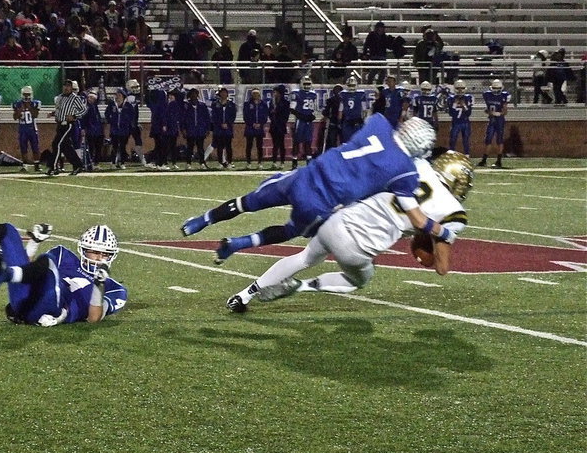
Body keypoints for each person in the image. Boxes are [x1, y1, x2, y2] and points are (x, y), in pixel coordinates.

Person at [181, 115, 449, 268]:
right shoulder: (405, 171)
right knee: (291, 230)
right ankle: (236, 244)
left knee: (248, 202)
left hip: (305, 175)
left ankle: (201, 220)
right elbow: (418, 220)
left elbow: (373, 133)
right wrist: (444, 232)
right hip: (321, 201)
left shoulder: (379, 123)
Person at [231, 151, 473, 312]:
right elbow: (441, 267)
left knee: (304, 257)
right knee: (360, 279)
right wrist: (438, 235)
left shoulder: (416, 165)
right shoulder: (452, 211)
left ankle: (245, 294)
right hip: (358, 247)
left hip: (339, 219)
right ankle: (303, 286)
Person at [0, 180, 127, 326]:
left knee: (48, 262)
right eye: (95, 252)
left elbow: (94, 318)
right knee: (9, 232)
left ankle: (5, 274)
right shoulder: (64, 255)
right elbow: (29, 268)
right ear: (84, 249)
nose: (99, 258)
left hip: (49, 311)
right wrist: (34, 242)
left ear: (112, 256)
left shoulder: (115, 288)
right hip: (24, 298)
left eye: (105, 254)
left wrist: (99, 285)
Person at [47, 80, 86, 175]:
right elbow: (60, 110)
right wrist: (53, 114)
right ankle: (78, 165)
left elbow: (84, 110)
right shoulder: (60, 97)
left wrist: (74, 116)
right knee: (66, 147)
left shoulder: (75, 98)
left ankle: (54, 167)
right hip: (60, 124)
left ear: (71, 88)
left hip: (68, 124)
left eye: (68, 86)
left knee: (56, 144)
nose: (66, 88)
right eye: (65, 86)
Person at [478, 79, 510, 168]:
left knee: (499, 140)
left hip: (499, 120)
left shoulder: (504, 95)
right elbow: (487, 109)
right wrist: (488, 112)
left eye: (497, 88)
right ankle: (484, 160)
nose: (496, 90)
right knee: (488, 139)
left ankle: (499, 161)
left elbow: (505, 111)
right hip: (491, 120)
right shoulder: (487, 94)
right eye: (494, 88)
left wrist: (496, 113)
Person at [289, 76, 317, 170]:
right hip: (300, 121)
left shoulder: (313, 94)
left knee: (308, 142)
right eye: (305, 84)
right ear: (301, 84)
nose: (307, 86)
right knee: (297, 141)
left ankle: (309, 162)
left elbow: (313, 108)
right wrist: (302, 116)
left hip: (308, 122)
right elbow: (292, 109)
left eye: (308, 84)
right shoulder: (296, 93)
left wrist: (312, 115)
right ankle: (294, 162)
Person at [13, 85, 41, 172]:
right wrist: (20, 110)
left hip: (32, 129)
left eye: (28, 94)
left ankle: (37, 165)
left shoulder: (35, 103)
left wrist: (29, 107)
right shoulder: (18, 104)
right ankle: (25, 165)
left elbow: (35, 115)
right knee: (23, 147)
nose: (26, 96)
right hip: (22, 129)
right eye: (25, 94)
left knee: (35, 147)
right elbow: (15, 117)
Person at [181, 88, 210, 170]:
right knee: (190, 148)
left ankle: (202, 163)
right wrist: (183, 129)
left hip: (200, 130)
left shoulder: (202, 105)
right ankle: (188, 163)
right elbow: (183, 118)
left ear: (197, 95)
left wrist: (207, 128)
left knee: (200, 148)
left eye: (195, 94)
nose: (194, 96)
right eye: (192, 94)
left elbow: (207, 118)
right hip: (190, 130)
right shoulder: (186, 106)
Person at [106, 87, 131, 170]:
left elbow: (132, 115)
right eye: (117, 95)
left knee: (123, 147)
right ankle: (113, 162)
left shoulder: (128, 105)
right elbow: (107, 113)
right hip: (115, 129)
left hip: (124, 130)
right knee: (115, 146)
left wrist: (128, 123)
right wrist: (110, 120)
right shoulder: (112, 104)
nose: (118, 96)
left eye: (120, 95)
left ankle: (122, 162)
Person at [211, 86, 236, 168]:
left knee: (228, 146)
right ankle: (220, 162)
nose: (223, 94)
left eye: (225, 93)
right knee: (219, 146)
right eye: (222, 93)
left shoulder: (231, 104)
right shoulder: (215, 104)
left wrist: (227, 124)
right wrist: (220, 124)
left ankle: (229, 162)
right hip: (218, 129)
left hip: (228, 129)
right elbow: (214, 116)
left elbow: (233, 116)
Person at [243, 88, 268, 169]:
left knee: (259, 146)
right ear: (251, 95)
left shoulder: (263, 104)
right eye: (254, 94)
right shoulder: (247, 104)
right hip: (250, 127)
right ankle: (248, 163)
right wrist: (252, 124)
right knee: (249, 145)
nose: (255, 95)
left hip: (260, 128)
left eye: (257, 94)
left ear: (259, 95)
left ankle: (260, 163)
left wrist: (260, 123)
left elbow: (265, 116)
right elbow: (245, 116)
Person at [125, 79, 148, 168]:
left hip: (133, 123)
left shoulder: (133, 97)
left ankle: (142, 159)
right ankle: (116, 160)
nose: (136, 88)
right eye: (134, 87)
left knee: (138, 141)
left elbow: (135, 112)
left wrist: (136, 122)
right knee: (122, 142)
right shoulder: (127, 97)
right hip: (127, 124)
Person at [447, 80, 473, 157]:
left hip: (465, 122)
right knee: (453, 139)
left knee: (466, 140)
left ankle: (467, 156)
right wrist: (455, 104)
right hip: (456, 122)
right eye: (458, 88)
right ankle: (451, 155)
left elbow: (468, 113)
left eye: (462, 88)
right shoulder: (451, 98)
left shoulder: (468, 98)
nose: (460, 90)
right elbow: (451, 113)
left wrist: (464, 105)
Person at [338, 76, 367, 144]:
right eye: (350, 85)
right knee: (356, 141)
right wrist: (364, 119)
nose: (351, 87)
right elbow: (364, 109)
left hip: (348, 120)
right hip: (356, 120)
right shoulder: (360, 94)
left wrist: (339, 121)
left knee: (348, 141)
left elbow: (340, 110)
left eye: (352, 85)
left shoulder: (343, 94)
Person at [82, 90, 105, 171]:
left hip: (98, 131)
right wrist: (83, 128)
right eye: (90, 97)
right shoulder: (86, 107)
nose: (91, 99)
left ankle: (96, 163)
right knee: (91, 148)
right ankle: (90, 163)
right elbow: (83, 119)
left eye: (92, 98)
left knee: (98, 148)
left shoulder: (95, 106)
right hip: (90, 131)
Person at [268, 84, 290, 168]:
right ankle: (274, 162)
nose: (274, 94)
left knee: (281, 144)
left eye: (276, 92)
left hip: (281, 126)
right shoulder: (272, 102)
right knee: (275, 145)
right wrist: (272, 113)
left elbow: (286, 115)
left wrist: (276, 112)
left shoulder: (285, 103)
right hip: (274, 125)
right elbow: (269, 113)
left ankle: (282, 162)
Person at [319, 84, 342, 154]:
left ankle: (332, 154)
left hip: (334, 122)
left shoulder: (331, 100)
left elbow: (326, 112)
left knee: (332, 141)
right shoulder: (342, 99)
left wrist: (325, 115)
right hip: (341, 122)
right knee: (342, 140)